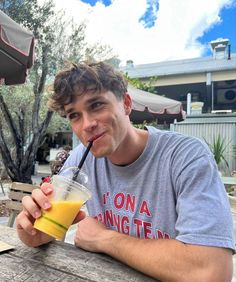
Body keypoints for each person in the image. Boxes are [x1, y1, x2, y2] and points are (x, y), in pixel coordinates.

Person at [16, 62, 235, 281]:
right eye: (74, 115)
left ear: (126, 104)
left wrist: (104, 238)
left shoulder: (185, 156)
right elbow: (46, 230)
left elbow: (213, 272)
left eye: (96, 105)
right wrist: (32, 230)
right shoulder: (79, 160)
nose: (87, 124)